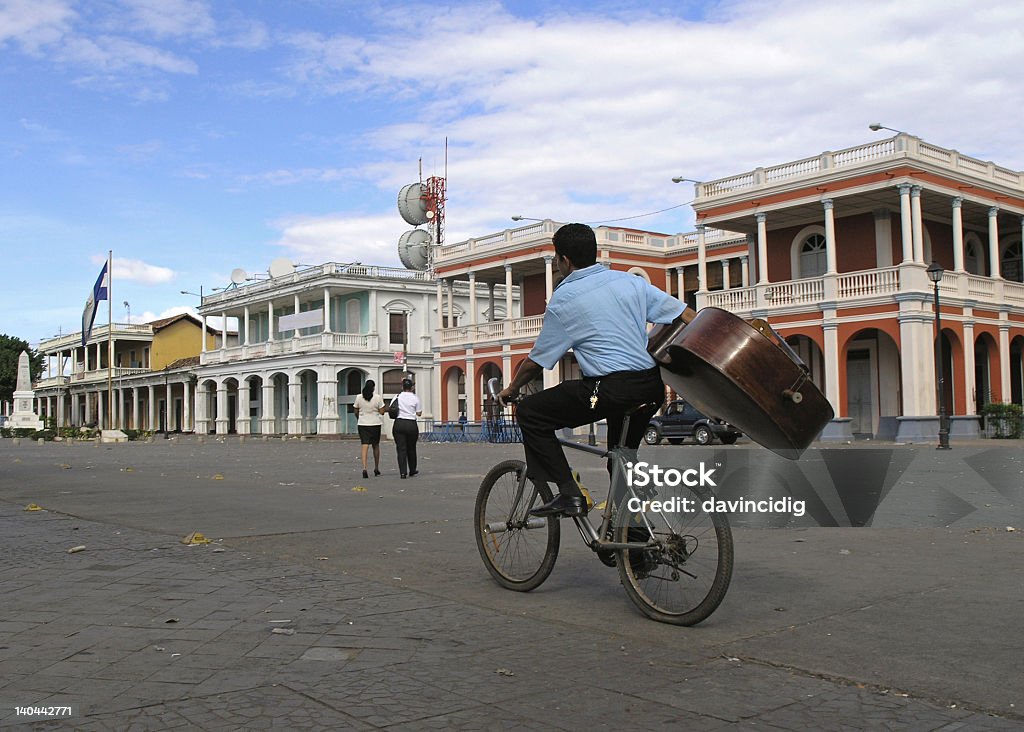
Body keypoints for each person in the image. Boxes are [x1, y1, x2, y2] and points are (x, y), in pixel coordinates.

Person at [498, 222, 694, 517]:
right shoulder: (631, 283)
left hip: (609, 390)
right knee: (621, 460)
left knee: (531, 413)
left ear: (564, 260)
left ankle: (568, 492)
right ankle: (633, 547)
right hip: (651, 388)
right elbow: (686, 315)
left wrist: (512, 388)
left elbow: (536, 360)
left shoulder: (564, 300)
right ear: (595, 252)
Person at [353, 379, 386, 479]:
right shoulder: (377, 398)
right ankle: (376, 468)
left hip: (363, 424)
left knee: (364, 446)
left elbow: (355, 411)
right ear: (373, 388)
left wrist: (360, 418)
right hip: (375, 424)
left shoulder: (359, 397)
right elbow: (382, 411)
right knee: (375, 446)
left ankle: (364, 468)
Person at [392, 377, 422, 479]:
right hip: (411, 424)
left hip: (399, 423)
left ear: (402, 387)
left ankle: (403, 472)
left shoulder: (397, 396)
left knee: (401, 449)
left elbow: (392, 408)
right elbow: (419, 413)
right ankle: (412, 470)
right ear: (412, 387)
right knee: (411, 448)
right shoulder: (415, 398)